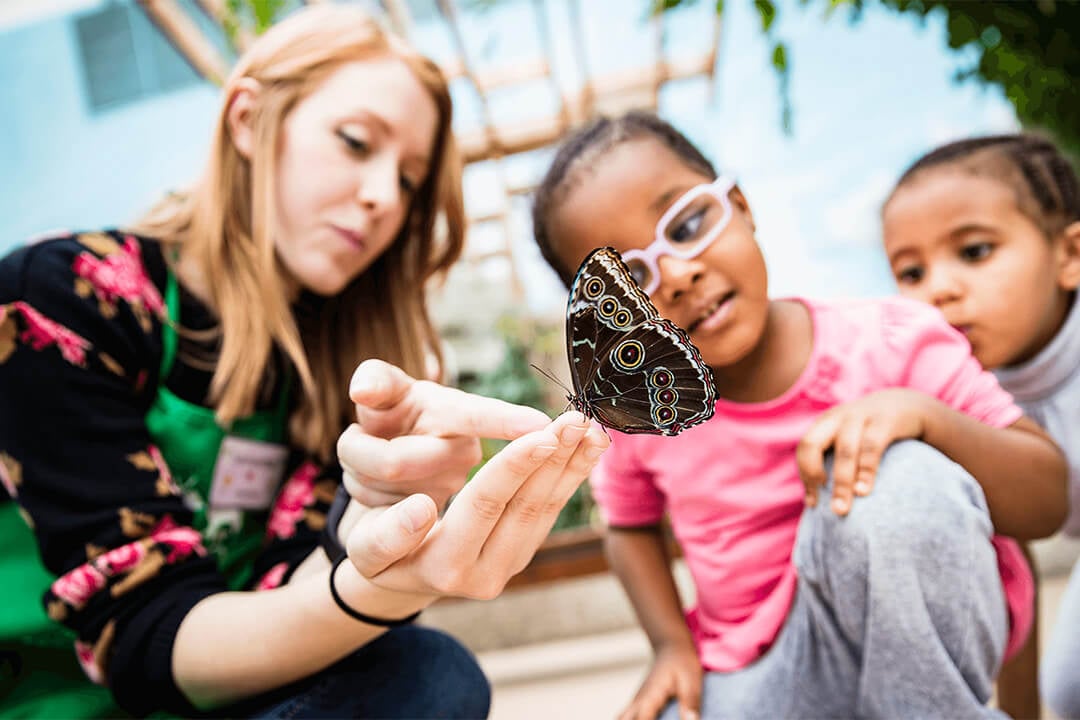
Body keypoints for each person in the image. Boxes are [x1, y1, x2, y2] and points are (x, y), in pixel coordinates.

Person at [0, 5, 609, 718]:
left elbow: (293, 598)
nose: (383, 197)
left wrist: (369, 533)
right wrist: (363, 591)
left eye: (409, 182)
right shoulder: (59, 303)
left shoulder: (345, 375)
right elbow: (145, 638)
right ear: (248, 121)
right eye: (355, 142)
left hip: (224, 692)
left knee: (429, 676)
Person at [527, 110, 1068, 720]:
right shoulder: (641, 413)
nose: (677, 276)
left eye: (689, 224)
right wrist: (670, 646)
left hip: (916, 656)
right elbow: (627, 525)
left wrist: (926, 418)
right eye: (630, 280)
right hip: (762, 670)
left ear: (741, 206)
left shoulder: (895, 342)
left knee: (903, 474)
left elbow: (1047, 502)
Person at [882, 133, 1080, 720]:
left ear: (1069, 257)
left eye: (973, 252)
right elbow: (1011, 584)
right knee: (1067, 693)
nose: (939, 289)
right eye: (911, 272)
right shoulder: (959, 401)